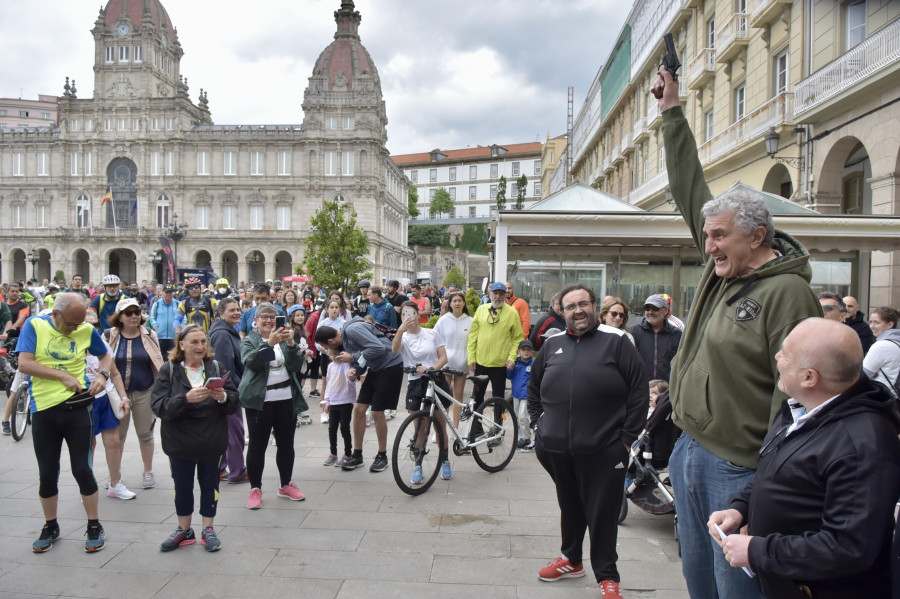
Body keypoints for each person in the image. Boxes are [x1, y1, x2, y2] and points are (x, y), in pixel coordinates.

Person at [653, 67, 822, 599]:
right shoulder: (722, 268)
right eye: (707, 235)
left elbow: (797, 398)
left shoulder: (787, 294)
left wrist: (760, 491)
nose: (709, 246)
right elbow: (689, 189)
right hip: (690, 450)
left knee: (736, 588)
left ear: (756, 235)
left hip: (737, 468)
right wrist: (671, 112)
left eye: (720, 235)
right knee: (698, 580)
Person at [708, 318, 900, 599]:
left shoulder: (862, 444)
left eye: (786, 353)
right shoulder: (799, 409)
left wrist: (756, 550)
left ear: (809, 377)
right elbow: (775, 471)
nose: (777, 357)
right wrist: (741, 508)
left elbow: (849, 547)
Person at [527, 284, 647, 599]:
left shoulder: (618, 341)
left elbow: (639, 392)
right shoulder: (552, 344)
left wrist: (625, 440)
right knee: (570, 503)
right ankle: (571, 560)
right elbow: (534, 387)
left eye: (583, 304)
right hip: (556, 448)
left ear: (594, 306)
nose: (578, 311)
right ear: (561, 312)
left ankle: (608, 576)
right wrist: (538, 425)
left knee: (603, 512)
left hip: (607, 450)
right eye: (571, 306)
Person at [19, 293, 113, 553]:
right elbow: (24, 363)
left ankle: (94, 524)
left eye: (78, 324)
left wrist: (103, 376)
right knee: (48, 471)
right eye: (70, 324)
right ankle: (50, 525)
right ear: (56, 313)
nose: (75, 329)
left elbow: (106, 356)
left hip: (77, 408)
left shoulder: (84, 329)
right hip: (44, 409)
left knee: (83, 468)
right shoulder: (35, 325)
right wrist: (60, 375)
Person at [151, 324, 240, 552]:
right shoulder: (169, 370)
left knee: (210, 485)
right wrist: (185, 399)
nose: (200, 347)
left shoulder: (216, 367)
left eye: (203, 342)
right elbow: (158, 406)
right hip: (179, 441)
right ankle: (184, 529)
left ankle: (208, 529)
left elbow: (234, 402)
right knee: (182, 486)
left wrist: (222, 397)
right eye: (194, 342)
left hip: (211, 440)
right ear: (182, 345)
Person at [239, 302, 308, 509]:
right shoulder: (249, 340)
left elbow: (296, 367)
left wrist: (292, 346)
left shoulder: (286, 339)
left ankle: (285, 484)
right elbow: (252, 362)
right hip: (260, 401)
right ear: (256, 320)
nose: (269, 321)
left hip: (286, 399)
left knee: (286, 444)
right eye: (264, 317)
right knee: (257, 446)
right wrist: (269, 344)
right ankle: (255, 489)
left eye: (273, 317)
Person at [315, 315, 404, 473]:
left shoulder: (352, 329)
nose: (328, 351)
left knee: (377, 411)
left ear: (330, 342)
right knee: (359, 409)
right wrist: (355, 370)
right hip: (376, 368)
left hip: (391, 365)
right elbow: (363, 360)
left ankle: (382, 456)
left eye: (326, 347)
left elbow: (378, 348)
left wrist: (353, 357)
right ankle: (357, 454)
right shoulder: (345, 342)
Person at [106, 298, 165, 489]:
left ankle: (148, 471)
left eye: (137, 312)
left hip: (144, 391)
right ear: (119, 317)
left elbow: (157, 362)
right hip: (116, 395)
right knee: (117, 437)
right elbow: (100, 361)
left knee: (145, 434)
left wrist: (161, 389)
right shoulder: (109, 335)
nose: (134, 316)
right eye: (128, 313)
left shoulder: (149, 335)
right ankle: (115, 475)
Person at [392, 300, 452, 482]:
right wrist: (400, 330)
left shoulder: (431, 333)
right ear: (401, 317)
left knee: (439, 425)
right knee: (419, 428)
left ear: (418, 315)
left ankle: (445, 461)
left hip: (435, 380)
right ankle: (418, 465)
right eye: (405, 314)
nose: (409, 317)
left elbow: (443, 357)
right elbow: (394, 351)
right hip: (415, 384)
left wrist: (431, 368)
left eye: (411, 313)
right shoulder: (402, 337)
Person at [467, 282, 524, 413]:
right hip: (480, 363)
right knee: (477, 398)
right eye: (495, 293)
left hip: (499, 364)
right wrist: (471, 358)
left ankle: (498, 428)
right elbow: (473, 336)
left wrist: (512, 357)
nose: (497, 296)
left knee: (498, 399)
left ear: (505, 295)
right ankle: (477, 429)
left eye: (501, 294)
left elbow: (518, 339)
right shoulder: (481, 310)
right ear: (490, 294)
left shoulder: (512, 313)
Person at [208, 297, 248, 484]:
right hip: (228, 393)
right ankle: (238, 471)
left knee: (226, 433)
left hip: (226, 391)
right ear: (221, 313)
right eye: (231, 310)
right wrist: (235, 391)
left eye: (238, 309)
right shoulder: (223, 334)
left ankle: (221, 469)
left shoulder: (225, 331)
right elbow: (224, 367)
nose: (237, 312)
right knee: (235, 434)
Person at [433, 291, 472, 428]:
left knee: (458, 395)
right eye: (454, 301)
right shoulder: (443, 320)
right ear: (449, 303)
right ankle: (441, 427)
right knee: (444, 396)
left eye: (459, 301)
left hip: (462, 363)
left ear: (464, 303)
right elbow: (435, 339)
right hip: (446, 363)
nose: (457, 303)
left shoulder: (470, 320)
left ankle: (455, 426)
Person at [631, 294, 682, 383]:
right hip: (641, 387)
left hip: (667, 389)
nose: (650, 312)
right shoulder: (634, 332)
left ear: (666, 311)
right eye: (647, 308)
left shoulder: (676, 334)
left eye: (655, 308)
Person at [322, 345, 356, 467]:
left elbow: (351, 380)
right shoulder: (330, 366)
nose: (335, 358)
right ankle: (333, 453)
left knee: (344, 428)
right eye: (332, 355)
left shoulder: (347, 365)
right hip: (334, 401)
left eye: (337, 355)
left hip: (346, 401)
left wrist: (351, 378)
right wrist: (327, 401)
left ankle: (348, 453)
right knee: (332, 429)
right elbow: (328, 384)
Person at [863, 306, 900, 395]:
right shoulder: (896, 342)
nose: (872, 326)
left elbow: (863, 375)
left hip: (883, 396)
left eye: (877, 323)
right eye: (871, 322)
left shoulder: (881, 346)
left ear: (890, 324)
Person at [287, 305, 314, 426]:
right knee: (295, 387)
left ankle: (297, 410)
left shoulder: (301, 330)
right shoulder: (292, 331)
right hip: (297, 362)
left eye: (302, 315)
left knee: (298, 387)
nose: (300, 317)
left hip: (302, 362)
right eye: (297, 315)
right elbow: (293, 348)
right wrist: (304, 353)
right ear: (292, 317)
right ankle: (293, 412)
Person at [507, 339, 535, 451]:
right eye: (523, 350)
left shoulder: (533, 365)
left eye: (529, 350)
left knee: (523, 417)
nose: (526, 352)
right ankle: (519, 438)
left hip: (526, 396)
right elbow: (509, 376)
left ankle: (526, 438)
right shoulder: (516, 362)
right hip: (516, 394)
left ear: (532, 352)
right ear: (518, 351)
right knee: (516, 416)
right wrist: (509, 368)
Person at [149, 285, 178, 357]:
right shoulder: (157, 304)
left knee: (173, 358)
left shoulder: (178, 304)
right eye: (166, 292)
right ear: (163, 293)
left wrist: (179, 329)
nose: (168, 294)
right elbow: (152, 317)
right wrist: (156, 327)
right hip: (160, 337)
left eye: (170, 292)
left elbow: (183, 318)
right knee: (160, 357)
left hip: (173, 337)